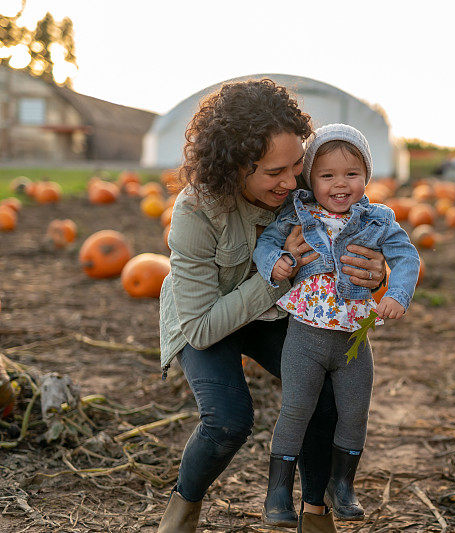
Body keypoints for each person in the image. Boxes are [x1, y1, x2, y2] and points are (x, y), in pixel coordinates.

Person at [157, 80, 387, 533]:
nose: (291, 180)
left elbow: (359, 224)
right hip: (209, 316)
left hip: (280, 314)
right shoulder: (196, 213)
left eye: (297, 164)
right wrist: (279, 275)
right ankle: (182, 509)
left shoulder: (304, 181)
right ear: (234, 168)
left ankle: (316, 513)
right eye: (274, 172)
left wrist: (375, 270)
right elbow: (201, 328)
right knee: (228, 420)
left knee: (327, 397)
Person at [253, 124, 420, 529]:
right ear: (311, 177)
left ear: (367, 175)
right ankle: (278, 494)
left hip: (352, 341)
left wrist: (396, 293)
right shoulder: (298, 211)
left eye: (351, 174)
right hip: (305, 337)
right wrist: (274, 263)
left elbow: (407, 257)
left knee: (355, 412)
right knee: (296, 410)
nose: (340, 185)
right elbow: (266, 244)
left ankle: (341, 486)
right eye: (327, 175)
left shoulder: (379, 220)